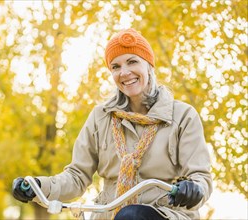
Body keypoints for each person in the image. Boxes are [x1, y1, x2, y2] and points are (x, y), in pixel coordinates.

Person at [12, 28, 212, 220]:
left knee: (132, 216)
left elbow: (200, 176)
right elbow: (77, 176)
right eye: (116, 66)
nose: (124, 73)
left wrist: (194, 189)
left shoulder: (182, 116)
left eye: (132, 62)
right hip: (109, 214)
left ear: (149, 66)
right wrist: (37, 186)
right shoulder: (102, 117)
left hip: (165, 214)